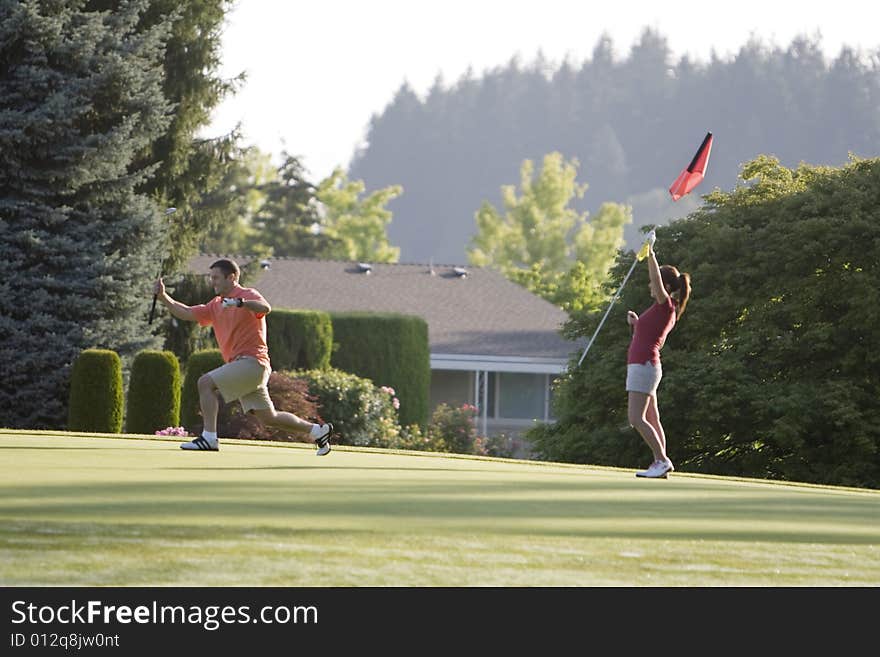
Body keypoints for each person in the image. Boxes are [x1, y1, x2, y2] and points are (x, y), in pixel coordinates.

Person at [152, 258, 333, 455]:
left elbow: (265, 308)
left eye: (216, 278)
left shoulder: (247, 295)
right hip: (248, 368)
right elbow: (187, 312)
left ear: (231, 277)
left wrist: (240, 303)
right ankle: (318, 431)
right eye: (211, 278)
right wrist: (163, 297)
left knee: (205, 383)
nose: (213, 282)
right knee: (268, 417)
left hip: (252, 362)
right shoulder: (216, 304)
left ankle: (209, 438)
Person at [625, 233, 691, 478]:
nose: (650, 286)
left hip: (644, 366)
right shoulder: (660, 309)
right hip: (645, 366)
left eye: (655, 283)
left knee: (636, 418)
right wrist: (636, 323)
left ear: (665, 286)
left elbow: (655, 277)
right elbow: (645, 335)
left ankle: (662, 460)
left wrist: (650, 252)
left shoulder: (666, 305)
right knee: (652, 416)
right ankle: (659, 463)